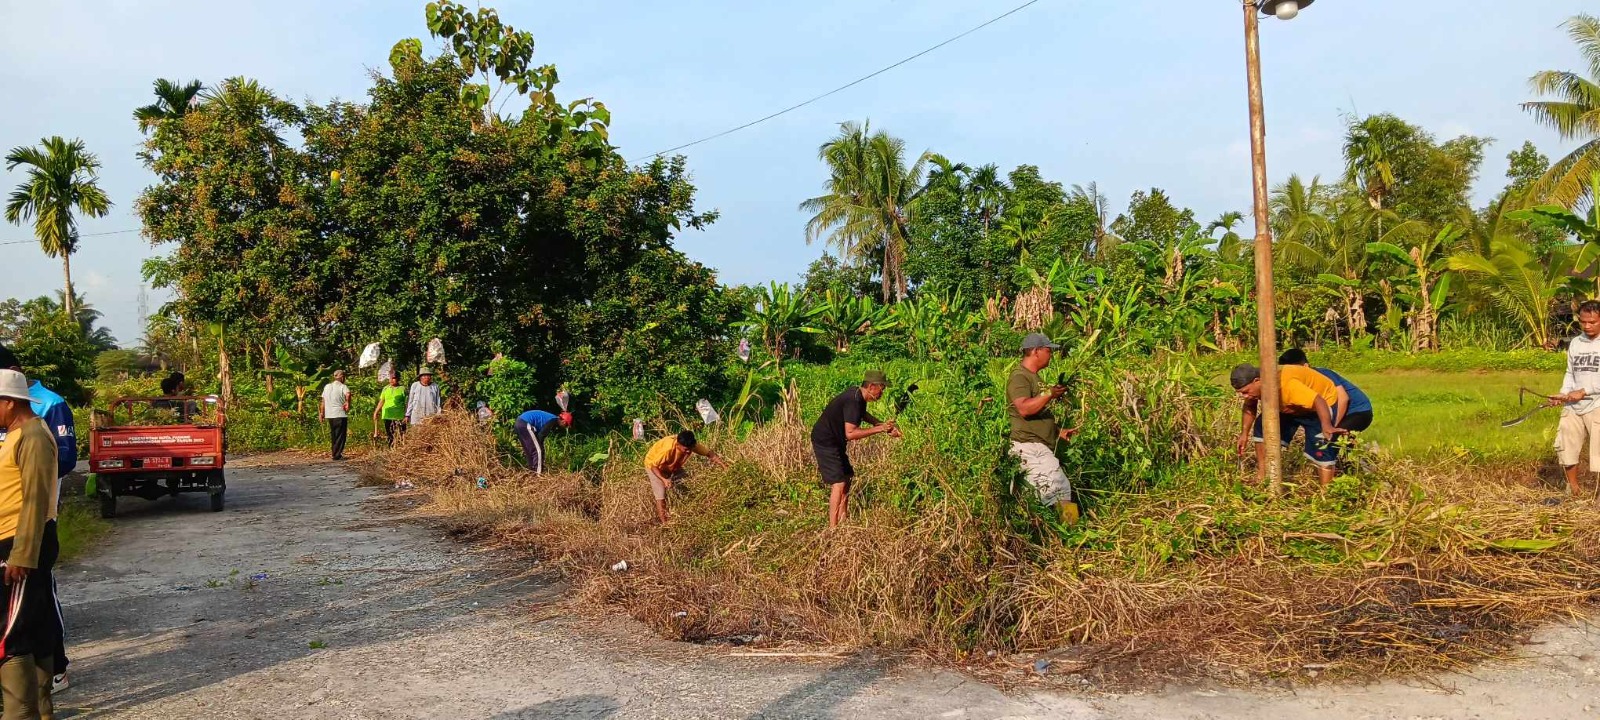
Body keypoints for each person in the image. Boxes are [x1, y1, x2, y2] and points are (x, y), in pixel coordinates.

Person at [0, 346, 72, 694]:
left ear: (9, 401)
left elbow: (34, 500)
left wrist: (22, 554)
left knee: (13, 630)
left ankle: (22, 707)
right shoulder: (16, 434)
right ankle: (40, 705)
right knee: (34, 620)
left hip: (22, 540)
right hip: (15, 537)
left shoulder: (33, 434)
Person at [1231, 362, 1346, 488]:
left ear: (1257, 380)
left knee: (1322, 445)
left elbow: (1318, 401)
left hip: (1320, 406)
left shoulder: (1288, 386)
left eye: (1246, 392)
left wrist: (1327, 425)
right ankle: (1263, 476)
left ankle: (1327, 492)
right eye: (1241, 393)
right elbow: (1249, 406)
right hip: (1290, 407)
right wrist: (1244, 434)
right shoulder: (1257, 388)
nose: (1245, 396)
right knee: (1261, 428)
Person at [1006, 333, 1081, 523]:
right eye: (1048, 350)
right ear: (1035, 351)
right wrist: (1050, 393)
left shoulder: (1034, 378)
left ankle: (1046, 535)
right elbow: (1023, 408)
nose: (1051, 355)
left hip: (1036, 448)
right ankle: (1074, 534)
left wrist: (1058, 432)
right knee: (1060, 489)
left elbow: (1037, 412)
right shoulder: (1019, 377)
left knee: (1040, 497)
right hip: (1031, 448)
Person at [810, 369, 900, 528]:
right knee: (838, 483)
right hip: (825, 440)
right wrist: (880, 429)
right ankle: (833, 529)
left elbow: (863, 414)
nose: (882, 392)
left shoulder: (858, 395)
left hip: (836, 440)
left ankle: (844, 519)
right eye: (882, 388)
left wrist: (881, 424)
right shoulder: (853, 399)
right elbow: (851, 433)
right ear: (872, 386)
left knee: (847, 477)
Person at [1551, 299, 1600, 497]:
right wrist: (1563, 395)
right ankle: (1574, 490)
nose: (1587, 326)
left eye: (1593, 322)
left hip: (1597, 403)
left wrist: (1584, 391)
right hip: (1573, 405)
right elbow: (1570, 373)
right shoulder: (1575, 343)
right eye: (1583, 322)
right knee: (1566, 446)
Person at [1278, 348, 1374, 433]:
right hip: (1338, 410)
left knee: (1331, 439)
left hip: (1358, 411)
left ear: (1306, 366)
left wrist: (1333, 426)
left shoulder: (1323, 373)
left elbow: (1344, 398)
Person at [644, 430, 728, 524]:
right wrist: (664, 479)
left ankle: (691, 511)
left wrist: (725, 467)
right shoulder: (667, 449)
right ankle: (665, 523)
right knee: (661, 495)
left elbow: (710, 454)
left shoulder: (691, 445)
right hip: (655, 467)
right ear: (677, 444)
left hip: (673, 466)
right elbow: (653, 466)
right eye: (686, 449)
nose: (688, 451)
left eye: (690, 449)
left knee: (687, 485)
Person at [513, 409, 572, 474]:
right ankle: (538, 474)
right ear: (563, 421)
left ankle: (531, 471)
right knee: (538, 451)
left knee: (530, 451)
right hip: (525, 424)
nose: (565, 427)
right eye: (566, 425)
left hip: (519, 423)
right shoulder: (552, 420)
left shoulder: (551, 418)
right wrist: (540, 446)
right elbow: (541, 435)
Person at [318, 370, 351, 461]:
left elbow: (323, 401)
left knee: (334, 434)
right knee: (340, 435)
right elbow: (348, 394)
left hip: (330, 415)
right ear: (342, 377)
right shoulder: (343, 386)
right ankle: (337, 454)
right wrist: (347, 402)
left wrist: (322, 413)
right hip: (340, 414)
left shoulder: (327, 387)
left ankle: (334, 452)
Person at [371, 374, 407, 446]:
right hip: (387, 415)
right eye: (390, 378)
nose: (391, 380)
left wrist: (407, 414)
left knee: (401, 434)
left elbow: (407, 402)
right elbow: (382, 401)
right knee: (390, 434)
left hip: (399, 415)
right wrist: (376, 412)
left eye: (393, 378)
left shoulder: (402, 389)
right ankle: (391, 450)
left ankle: (401, 450)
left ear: (398, 379)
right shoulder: (385, 388)